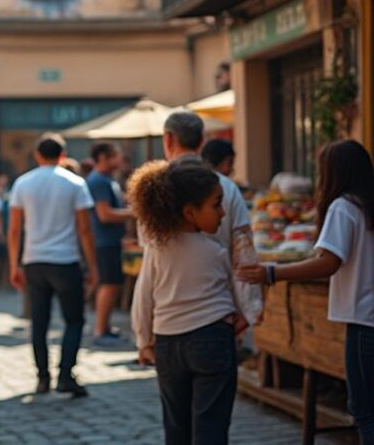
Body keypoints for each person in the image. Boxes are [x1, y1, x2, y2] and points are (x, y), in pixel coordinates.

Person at [238, 140, 374, 443]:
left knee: (365, 412)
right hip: (366, 318)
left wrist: (272, 273)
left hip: (364, 321)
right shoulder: (366, 207)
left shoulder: (344, 207)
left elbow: (328, 262)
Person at [131, 160, 247, 445]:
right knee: (211, 426)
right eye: (216, 205)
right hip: (212, 340)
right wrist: (246, 319)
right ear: (189, 212)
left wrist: (144, 341)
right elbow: (240, 294)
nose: (222, 213)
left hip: (168, 344)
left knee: (176, 427)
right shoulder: (217, 252)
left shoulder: (156, 250)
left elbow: (143, 297)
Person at [7, 133, 98, 397]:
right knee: (74, 320)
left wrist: (14, 264)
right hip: (65, 259)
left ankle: (43, 377)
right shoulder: (75, 183)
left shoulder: (23, 183)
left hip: (34, 260)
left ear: (37, 155)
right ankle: (66, 373)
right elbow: (85, 230)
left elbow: (14, 229)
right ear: (63, 155)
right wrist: (92, 265)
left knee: (39, 322)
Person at [163, 111, 262, 324]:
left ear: (168, 139)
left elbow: (150, 266)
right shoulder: (226, 187)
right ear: (201, 141)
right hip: (219, 311)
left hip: (168, 318)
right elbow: (244, 253)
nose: (221, 212)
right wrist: (248, 311)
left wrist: (144, 333)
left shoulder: (156, 189)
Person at [86, 142, 134, 346]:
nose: (120, 160)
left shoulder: (106, 180)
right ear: (104, 157)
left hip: (110, 241)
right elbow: (104, 214)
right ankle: (100, 330)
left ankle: (104, 326)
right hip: (104, 242)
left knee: (112, 285)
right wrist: (134, 213)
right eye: (116, 156)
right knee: (108, 284)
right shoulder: (98, 181)